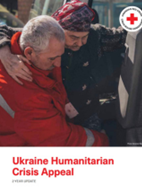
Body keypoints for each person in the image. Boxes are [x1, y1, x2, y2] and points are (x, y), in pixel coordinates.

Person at [0, 0, 127, 132]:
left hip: (86, 111)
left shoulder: (96, 35)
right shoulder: (43, 34)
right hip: (51, 111)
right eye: (73, 37)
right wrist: (4, 52)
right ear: (57, 30)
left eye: (84, 37)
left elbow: (127, 35)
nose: (80, 43)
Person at [0, 15, 108, 146]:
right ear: (29, 53)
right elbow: (60, 140)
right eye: (52, 59)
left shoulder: (33, 48)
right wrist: (104, 141)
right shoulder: (26, 95)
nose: (58, 64)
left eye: (60, 56)